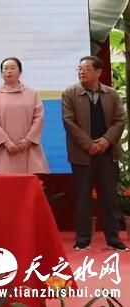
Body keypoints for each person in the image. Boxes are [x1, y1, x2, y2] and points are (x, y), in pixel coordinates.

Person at [62, 55, 128, 251]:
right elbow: (69, 122)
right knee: (83, 197)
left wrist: (106, 141)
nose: (82, 72)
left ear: (98, 72)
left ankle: (113, 239)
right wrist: (89, 144)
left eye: (86, 68)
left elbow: (120, 120)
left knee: (109, 198)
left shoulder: (111, 94)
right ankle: (83, 239)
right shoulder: (70, 93)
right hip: (82, 154)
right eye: (80, 68)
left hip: (107, 153)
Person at [0, 57, 49, 174]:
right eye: (5, 68)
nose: (9, 71)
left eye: (12, 68)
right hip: (5, 149)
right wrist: (5, 141)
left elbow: (39, 117)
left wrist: (29, 140)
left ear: (20, 71)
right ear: (1, 73)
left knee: (31, 180)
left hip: (28, 147)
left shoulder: (32, 93)